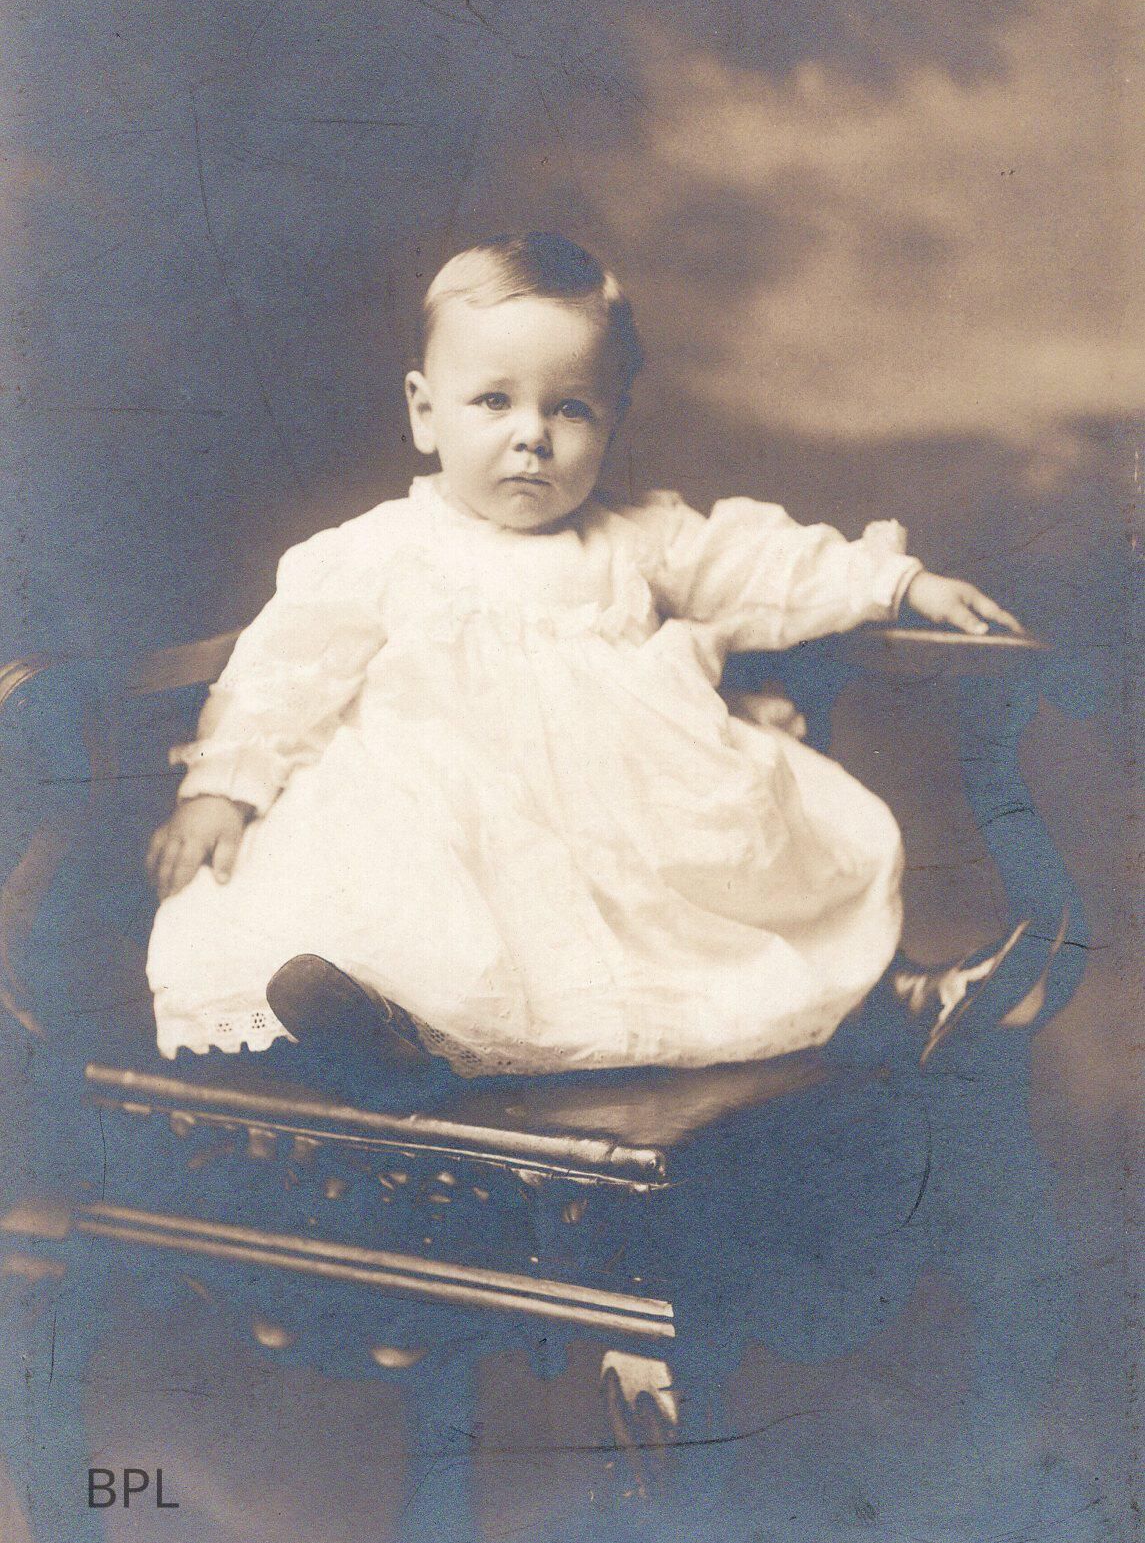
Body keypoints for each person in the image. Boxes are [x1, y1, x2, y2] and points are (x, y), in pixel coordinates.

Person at [146, 233, 1029, 1081]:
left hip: (619, 844)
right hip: (456, 832)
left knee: (750, 878)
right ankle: (366, 1030)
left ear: (611, 424)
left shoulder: (633, 537)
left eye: (570, 408)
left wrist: (896, 582)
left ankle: (888, 997)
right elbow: (285, 668)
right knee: (380, 894)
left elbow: (753, 562)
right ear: (424, 411)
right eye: (493, 401)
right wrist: (221, 785)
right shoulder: (378, 552)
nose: (532, 433)